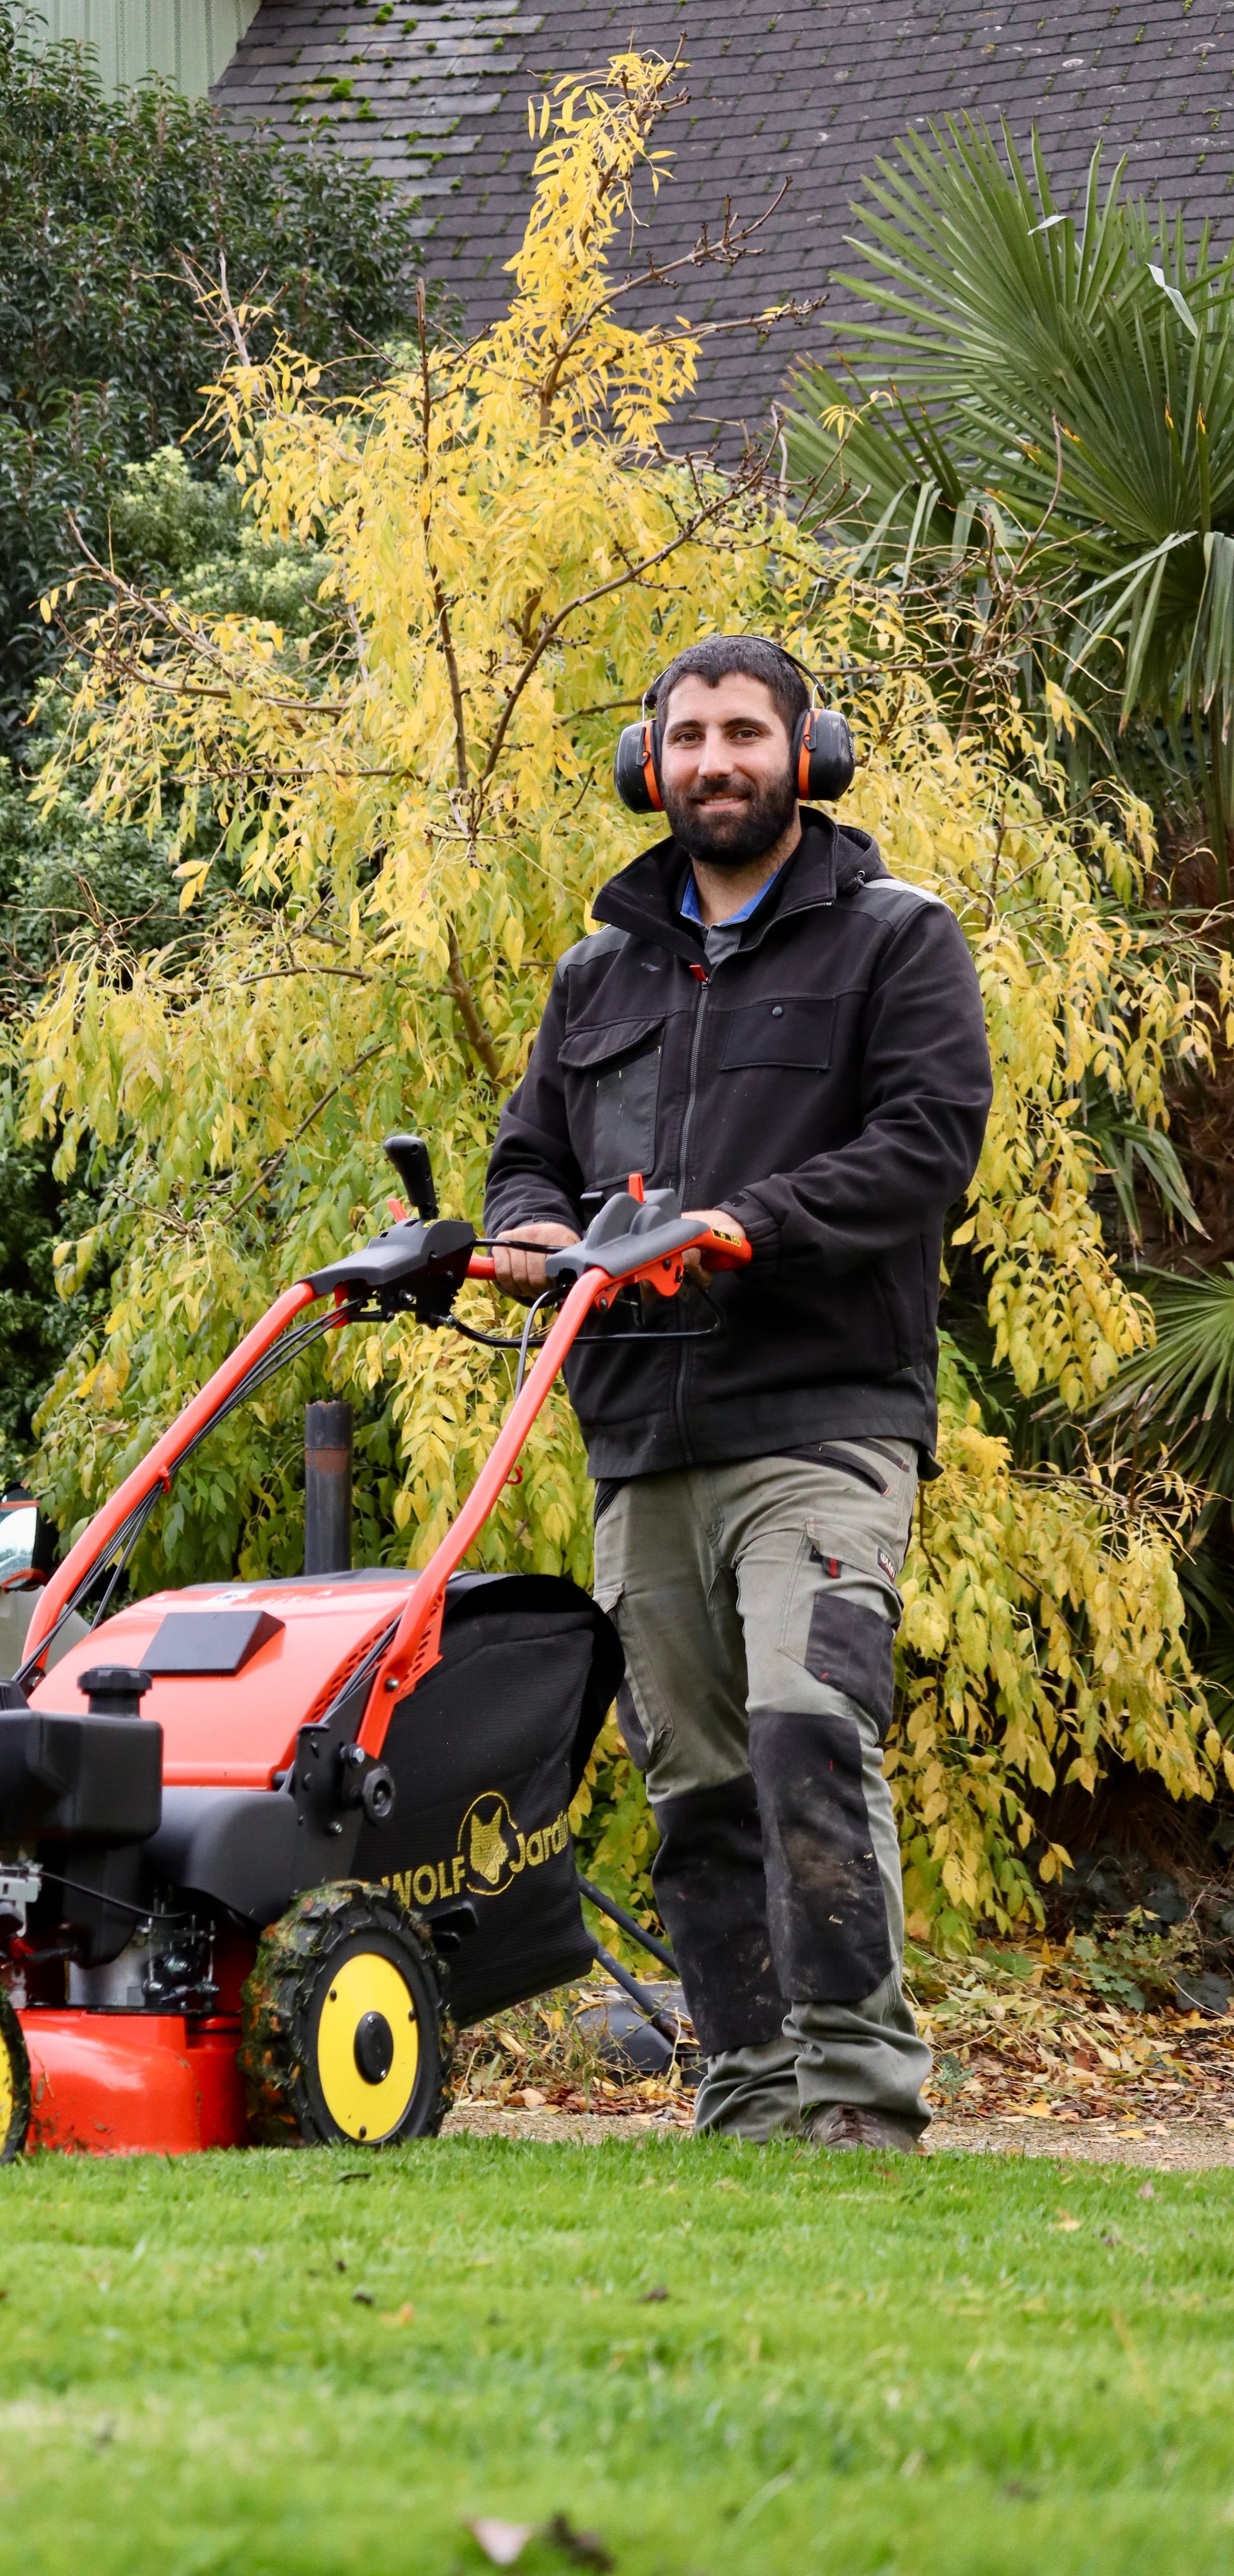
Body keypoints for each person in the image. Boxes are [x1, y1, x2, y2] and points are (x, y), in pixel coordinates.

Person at [484, 635, 993, 2150]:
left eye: (744, 733)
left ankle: (857, 2090)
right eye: (687, 737)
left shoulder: (896, 941)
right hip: (644, 1431)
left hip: (824, 1417)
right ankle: (749, 2094)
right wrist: (527, 1230)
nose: (714, 760)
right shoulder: (599, 973)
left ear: (806, 753)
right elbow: (535, 1154)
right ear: (651, 768)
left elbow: (926, 1146)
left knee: (806, 1729)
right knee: (696, 1781)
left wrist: (743, 1225)